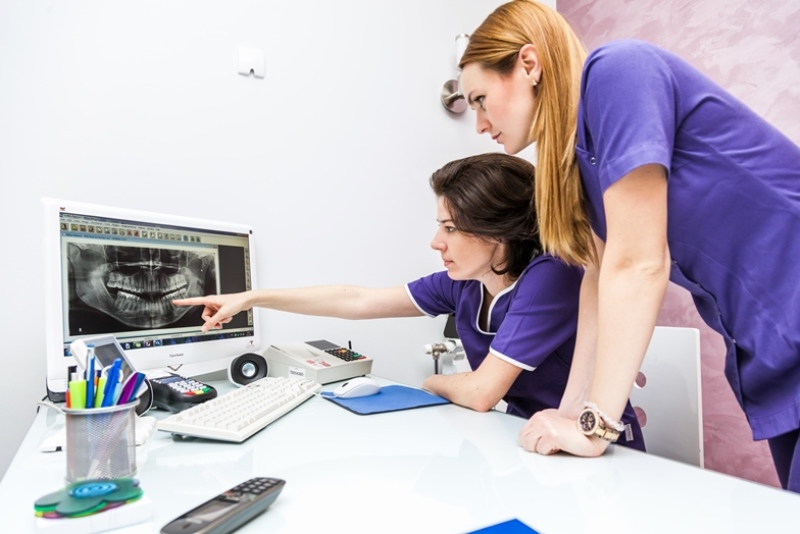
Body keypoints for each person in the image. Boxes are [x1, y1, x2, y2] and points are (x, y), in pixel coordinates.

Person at [458, 0, 800, 491]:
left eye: (479, 99)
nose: (478, 123)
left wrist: (595, 426)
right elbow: (599, 280)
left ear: (528, 64)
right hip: (768, 343)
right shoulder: (581, 166)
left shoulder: (617, 71)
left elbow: (640, 263)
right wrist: (572, 412)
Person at [173, 153, 645, 451]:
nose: (436, 242)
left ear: (499, 232)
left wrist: (433, 382)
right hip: (527, 436)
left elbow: (482, 392)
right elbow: (357, 300)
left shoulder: (552, 275)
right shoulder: (466, 283)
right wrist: (253, 298)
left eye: (450, 228)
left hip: (595, 445)